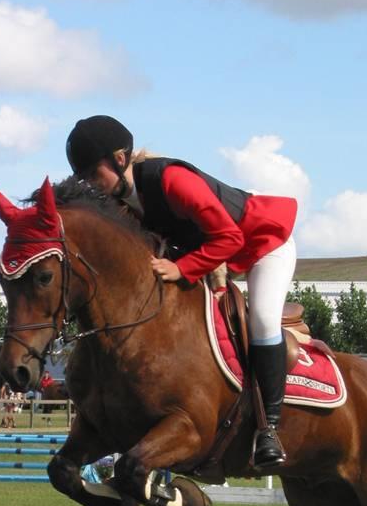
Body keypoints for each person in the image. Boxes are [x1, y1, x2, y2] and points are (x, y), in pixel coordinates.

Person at [65, 115, 298, 469]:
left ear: (119, 159)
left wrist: (182, 269)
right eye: (82, 178)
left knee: (264, 319)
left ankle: (269, 430)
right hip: (218, 258)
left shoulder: (171, 180)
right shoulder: (123, 205)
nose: (90, 185)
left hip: (265, 243)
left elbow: (229, 238)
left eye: (92, 174)